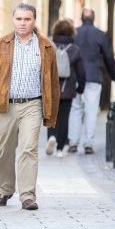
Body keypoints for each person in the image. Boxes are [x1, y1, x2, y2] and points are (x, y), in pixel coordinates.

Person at [0, 3, 59, 210]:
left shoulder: (46, 47)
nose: (23, 23)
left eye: (27, 19)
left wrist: (52, 112)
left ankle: (28, 196)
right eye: (19, 19)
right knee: (5, 150)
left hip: (33, 104)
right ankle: (5, 190)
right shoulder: (0, 44)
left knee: (29, 149)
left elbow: (53, 82)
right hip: (5, 105)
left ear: (34, 20)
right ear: (13, 20)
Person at [69, 8, 115, 155]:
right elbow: (109, 58)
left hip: (76, 77)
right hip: (93, 77)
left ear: (81, 18)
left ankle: (73, 142)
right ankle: (88, 143)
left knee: (75, 109)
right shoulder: (101, 35)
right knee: (91, 110)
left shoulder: (74, 34)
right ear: (94, 18)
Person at [46, 19, 85, 158]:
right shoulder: (74, 49)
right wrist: (80, 88)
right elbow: (81, 72)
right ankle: (60, 149)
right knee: (64, 118)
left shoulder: (49, 45)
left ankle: (51, 136)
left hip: (51, 88)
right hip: (67, 89)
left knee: (51, 115)